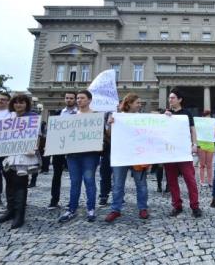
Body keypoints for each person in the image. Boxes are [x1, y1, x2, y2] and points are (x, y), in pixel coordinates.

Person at [105, 93, 150, 222]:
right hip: (121, 155)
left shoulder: (142, 118)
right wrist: (110, 125)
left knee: (141, 184)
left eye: (140, 103)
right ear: (129, 104)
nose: (140, 105)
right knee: (118, 184)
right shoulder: (117, 117)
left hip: (138, 156)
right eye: (138, 103)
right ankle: (115, 209)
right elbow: (109, 136)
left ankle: (143, 208)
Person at [0, 94, 40, 229]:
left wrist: (35, 146)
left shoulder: (32, 117)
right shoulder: (9, 117)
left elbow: (37, 134)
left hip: (24, 155)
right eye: (16, 103)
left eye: (21, 103)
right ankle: (11, 210)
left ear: (26, 104)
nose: (18, 105)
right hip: (7, 154)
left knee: (20, 184)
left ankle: (19, 215)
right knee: (9, 182)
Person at [58, 90, 102, 223]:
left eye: (82, 98)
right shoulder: (70, 116)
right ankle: (72, 209)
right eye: (78, 98)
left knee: (89, 181)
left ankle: (91, 209)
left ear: (89, 100)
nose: (79, 100)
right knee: (74, 182)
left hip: (90, 155)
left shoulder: (96, 116)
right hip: (73, 155)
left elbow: (101, 135)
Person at [164, 88, 202, 217]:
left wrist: (195, 144)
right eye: (169, 98)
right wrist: (165, 117)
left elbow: (192, 130)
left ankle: (195, 206)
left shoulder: (186, 114)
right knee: (172, 181)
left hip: (183, 152)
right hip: (169, 153)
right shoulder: (165, 114)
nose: (170, 100)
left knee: (190, 179)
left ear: (179, 99)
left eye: (173, 97)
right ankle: (177, 205)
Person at [48, 92, 78, 210]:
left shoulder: (80, 114)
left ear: (75, 100)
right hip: (59, 148)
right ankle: (54, 200)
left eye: (71, 98)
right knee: (56, 175)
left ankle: (73, 201)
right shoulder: (58, 113)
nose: (69, 100)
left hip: (74, 149)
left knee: (75, 177)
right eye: (67, 98)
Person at [198, 110, 215, 187]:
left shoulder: (213, 123)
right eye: (206, 116)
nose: (208, 117)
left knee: (209, 165)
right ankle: (201, 181)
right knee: (202, 165)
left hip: (210, 145)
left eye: (209, 116)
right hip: (201, 145)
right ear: (203, 117)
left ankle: (210, 181)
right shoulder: (199, 124)